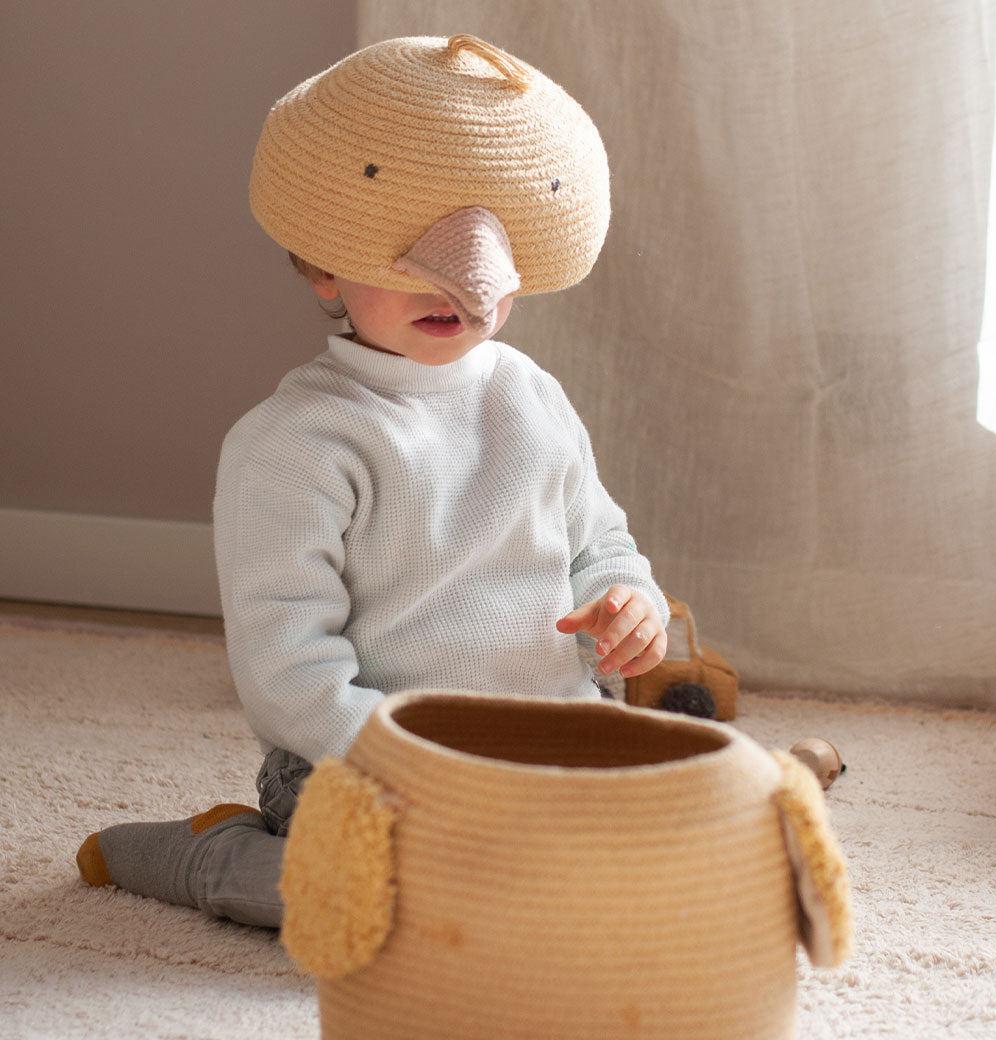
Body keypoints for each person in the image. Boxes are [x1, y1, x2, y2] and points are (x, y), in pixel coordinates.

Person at [76, 34, 668, 929]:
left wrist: (627, 601)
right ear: (321, 264)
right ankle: (208, 856)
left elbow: (600, 544)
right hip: (357, 760)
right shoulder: (297, 445)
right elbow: (286, 671)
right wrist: (419, 765)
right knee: (393, 904)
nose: (454, 281)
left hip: (544, 743)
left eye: (484, 239)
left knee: (675, 854)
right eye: (402, 250)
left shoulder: (532, 397)